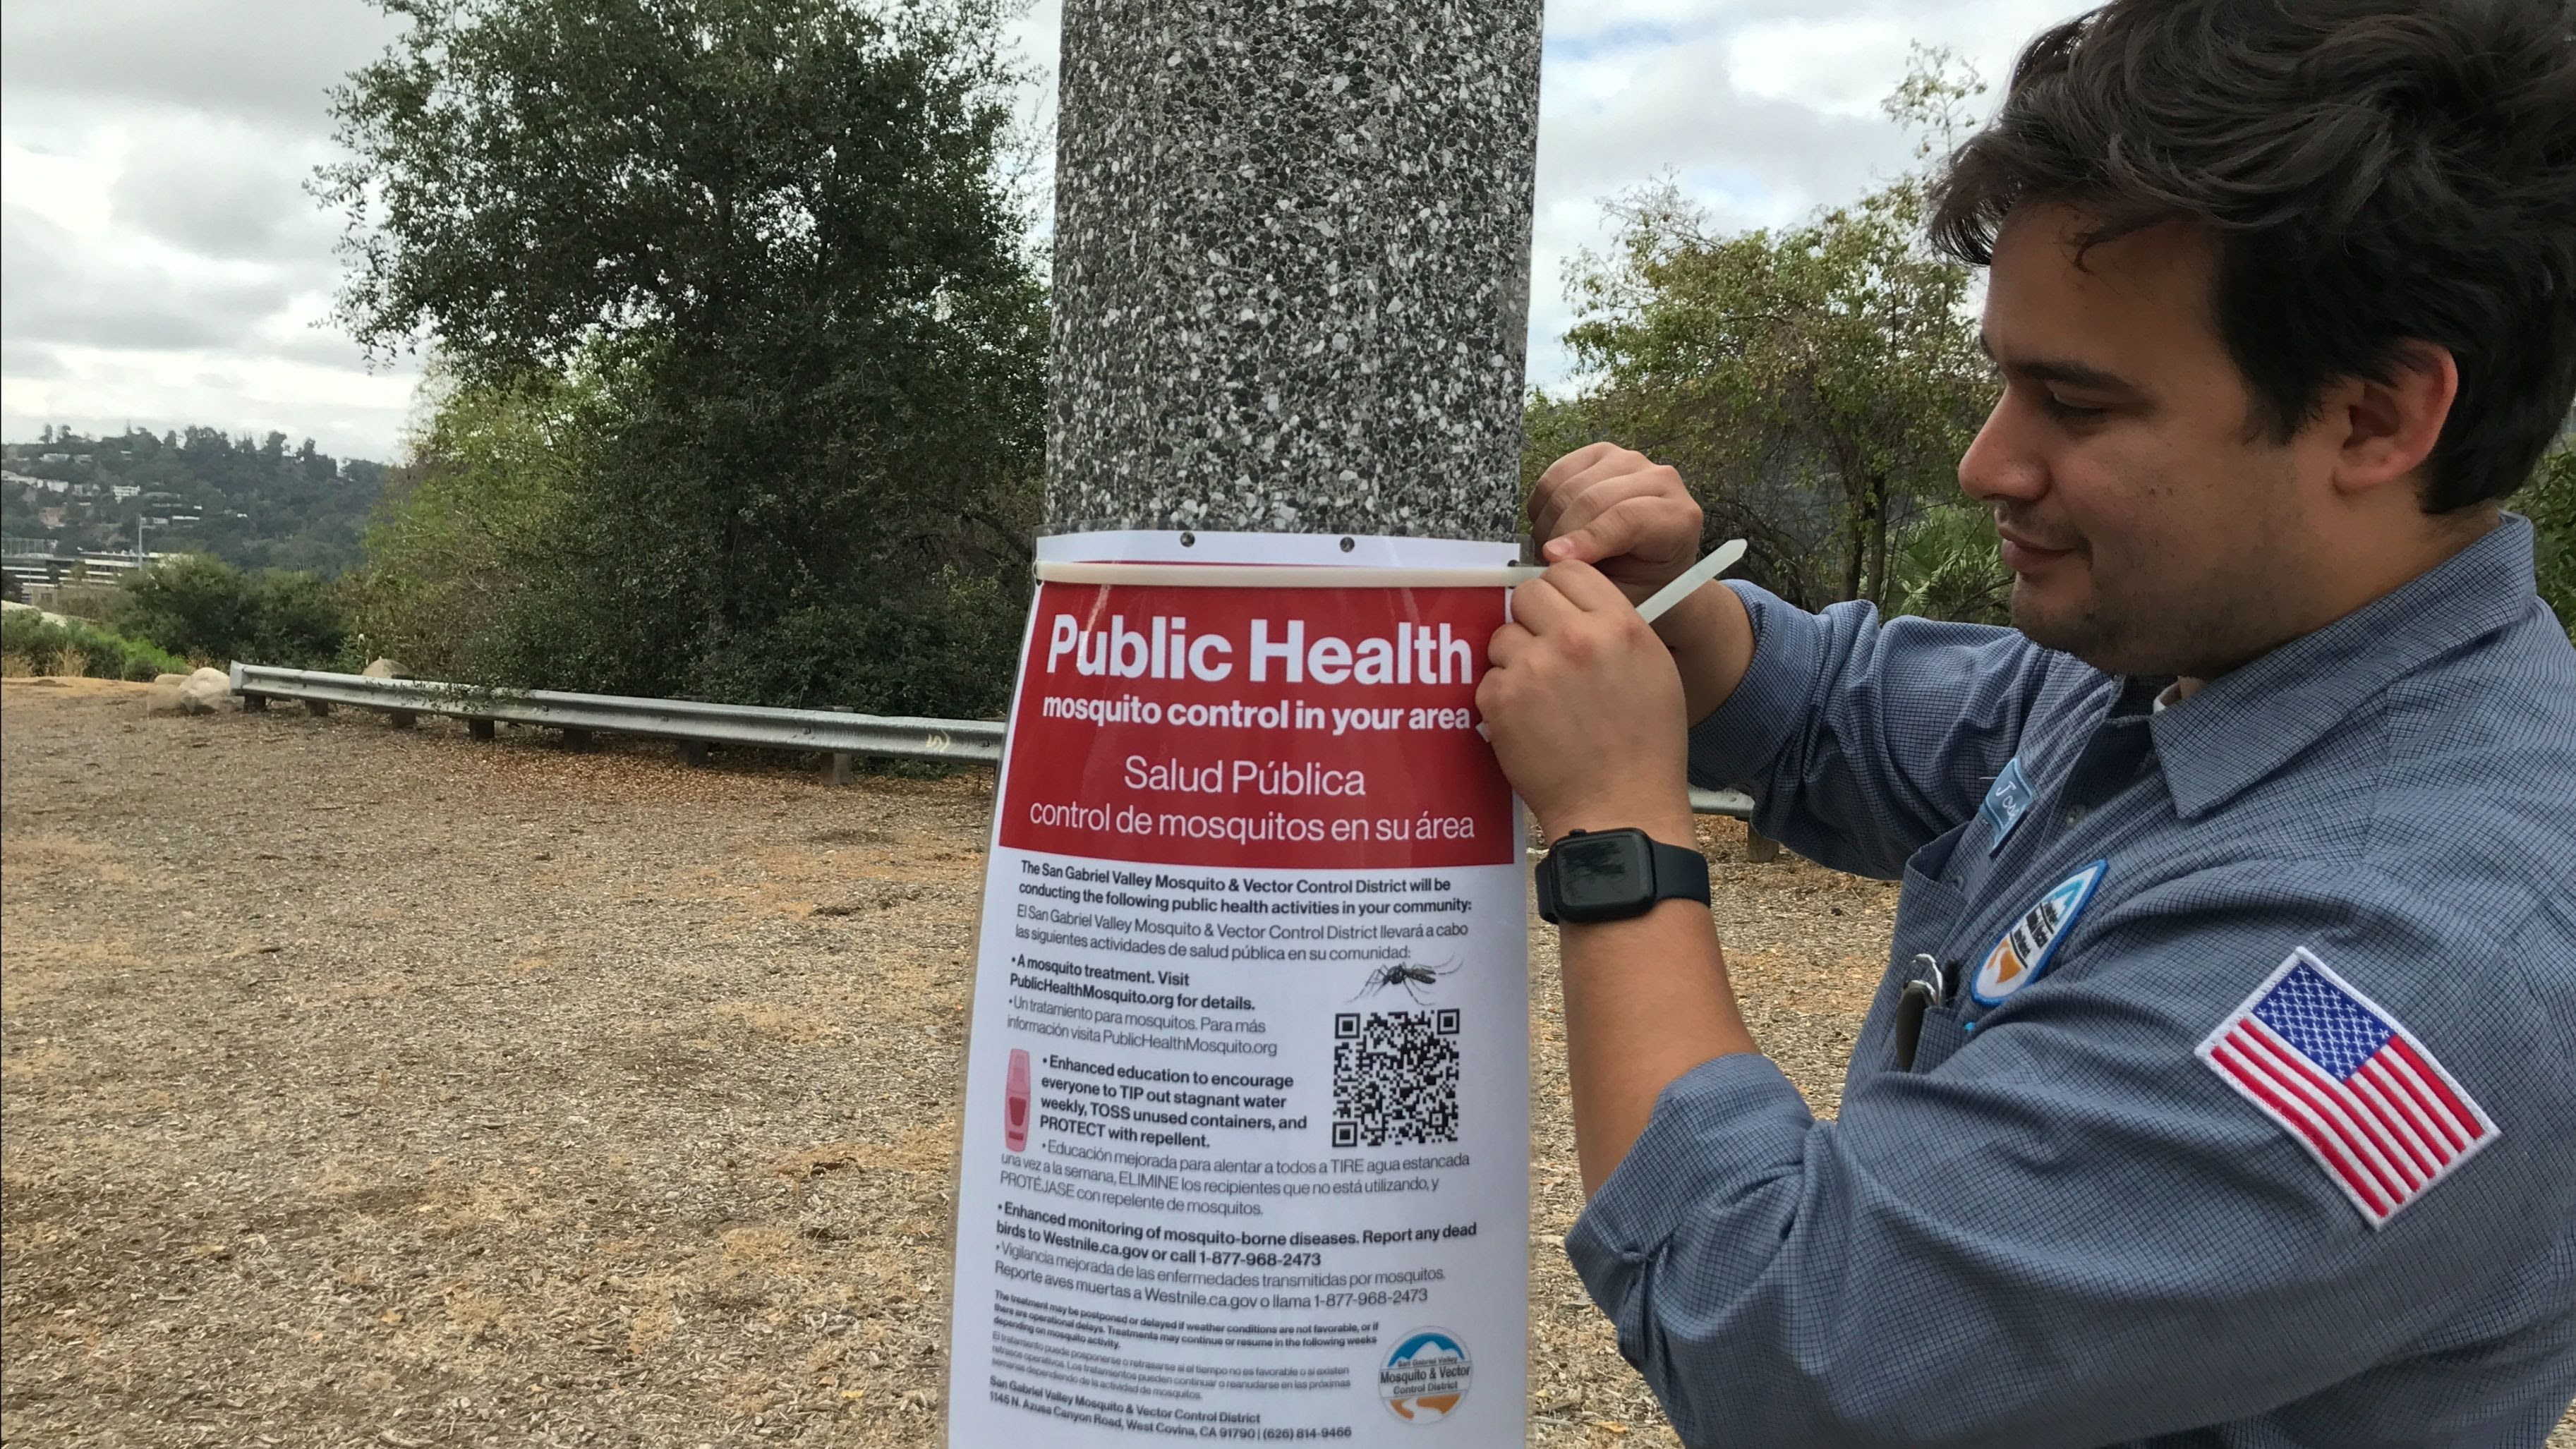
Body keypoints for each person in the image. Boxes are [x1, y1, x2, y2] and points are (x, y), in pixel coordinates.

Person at [1476, 1, 2576, 1444]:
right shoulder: (2205, 663)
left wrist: (1619, 835)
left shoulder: (2405, 957)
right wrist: (1678, 621)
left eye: (2071, 401)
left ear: (2373, 419)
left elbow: (1788, 1338)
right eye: (2001, 377)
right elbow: (1852, 719)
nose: (1985, 459)